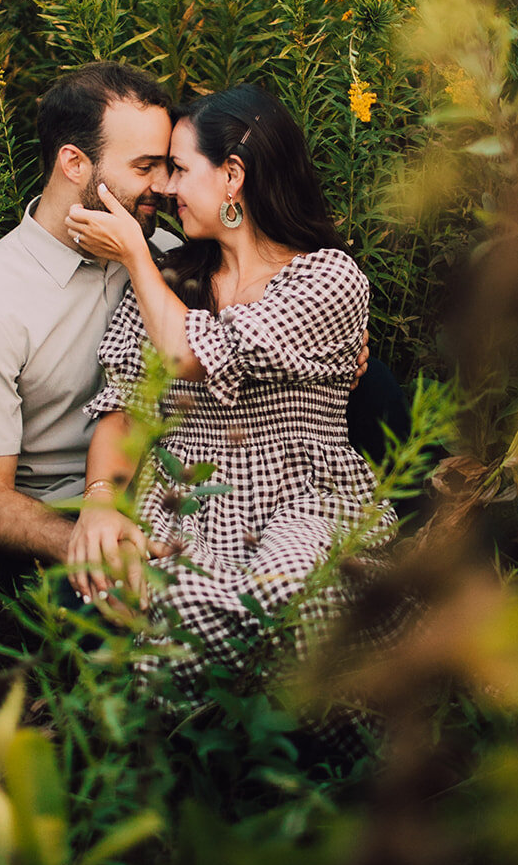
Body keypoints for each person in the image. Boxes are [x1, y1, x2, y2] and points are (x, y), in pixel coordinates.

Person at [64, 84, 400, 695]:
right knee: (179, 606)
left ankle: (318, 761)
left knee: (290, 592)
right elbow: (125, 408)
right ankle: (205, 768)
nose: (165, 188)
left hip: (302, 497)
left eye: (181, 169)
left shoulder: (327, 277)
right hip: (188, 506)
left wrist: (136, 259)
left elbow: (188, 355)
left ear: (233, 176)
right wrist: (100, 497)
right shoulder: (173, 281)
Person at [0, 62, 180, 573]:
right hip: (69, 529)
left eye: (168, 166)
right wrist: (89, 545)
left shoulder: (168, 253)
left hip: (189, 498)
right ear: (74, 163)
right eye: (144, 167)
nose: (166, 185)